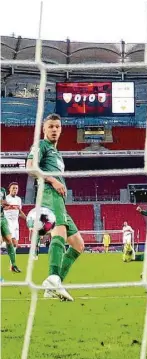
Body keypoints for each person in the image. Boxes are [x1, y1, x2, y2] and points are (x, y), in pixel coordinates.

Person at [26, 113, 85, 301]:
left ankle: (54, 285)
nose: (54, 130)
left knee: (78, 245)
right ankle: (52, 278)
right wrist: (53, 181)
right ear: (44, 129)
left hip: (59, 200)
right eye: (50, 126)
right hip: (50, 196)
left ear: (61, 129)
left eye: (57, 127)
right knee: (58, 233)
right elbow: (30, 167)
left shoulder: (57, 153)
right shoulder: (41, 146)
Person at [1, 187, 20, 272]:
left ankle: (13, 265)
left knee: (9, 241)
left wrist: (6, 205)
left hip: (2, 218)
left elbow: (4, 203)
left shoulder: (2, 190)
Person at [4, 182, 27, 249]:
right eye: (13, 188)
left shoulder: (18, 199)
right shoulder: (5, 198)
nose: (15, 189)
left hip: (15, 223)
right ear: (9, 189)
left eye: (16, 188)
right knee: (10, 240)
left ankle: (11, 259)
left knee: (15, 244)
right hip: (8, 222)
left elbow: (19, 212)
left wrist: (27, 219)